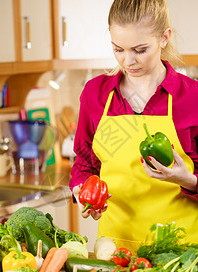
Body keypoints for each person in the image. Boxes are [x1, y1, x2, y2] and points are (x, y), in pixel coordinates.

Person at [69, 0, 198, 252]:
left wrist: (189, 181)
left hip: (181, 252)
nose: (128, 61)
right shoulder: (95, 93)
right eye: (118, 49)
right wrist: (82, 191)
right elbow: (84, 164)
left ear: (164, 37)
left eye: (140, 50)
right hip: (114, 250)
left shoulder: (191, 97)